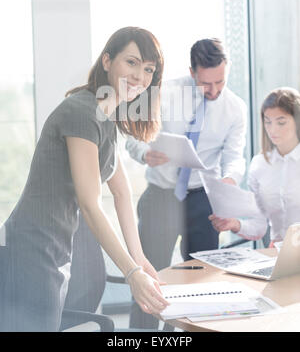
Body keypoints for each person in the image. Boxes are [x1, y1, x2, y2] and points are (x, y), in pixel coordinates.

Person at [0, 26, 169, 332]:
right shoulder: (82, 112)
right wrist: (131, 273)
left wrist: (140, 257)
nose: (139, 77)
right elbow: (90, 204)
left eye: (148, 69)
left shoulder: (106, 117)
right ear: (107, 61)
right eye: (131, 63)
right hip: (30, 249)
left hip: (54, 248)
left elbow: (121, 192)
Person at [126, 38, 247, 328]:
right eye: (207, 83)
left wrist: (229, 179)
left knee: (200, 280)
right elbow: (131, 135)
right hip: (160, 196)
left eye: (221, 81)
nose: (215, 90)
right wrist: (145, 153)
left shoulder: (234, 108)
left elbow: (234, 156)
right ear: (192, 72)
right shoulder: (163, 93)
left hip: (201, 199)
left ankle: (178, 333)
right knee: (149, 277)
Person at [210, 87, 300, 246]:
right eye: (268, 122)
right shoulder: (260, 165)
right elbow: (260, 225)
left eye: (281, 122)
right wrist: (235, 224)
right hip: (278, 255)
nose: (273, 130)